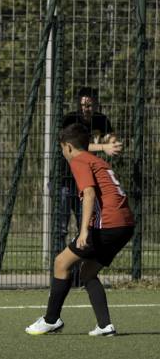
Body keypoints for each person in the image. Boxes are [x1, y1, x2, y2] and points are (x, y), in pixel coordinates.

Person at [26, 123, 134, 337]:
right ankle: (105, 326)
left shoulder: (79, 160)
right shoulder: (98, 160)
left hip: (108, 225)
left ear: (67, 147)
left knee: (61, 262)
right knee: (88, 272)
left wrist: (84, 230)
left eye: (61, 148)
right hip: (125, 225)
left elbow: (90, 194)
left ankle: (51, 320)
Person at [56, 87, 123, 250]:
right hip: (67, 177)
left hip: (87, 178)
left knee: (84, 221)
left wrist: (113, 142)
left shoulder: (101, 119)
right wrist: (103, 147)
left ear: (96, 105)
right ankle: (58, 258)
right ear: (78, 105)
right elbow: (79, 147)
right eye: (83, 105)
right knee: (62, 226)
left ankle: (81, 259)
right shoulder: (70, 119)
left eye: (90, 105)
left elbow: (110, 135)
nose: (86, 109)